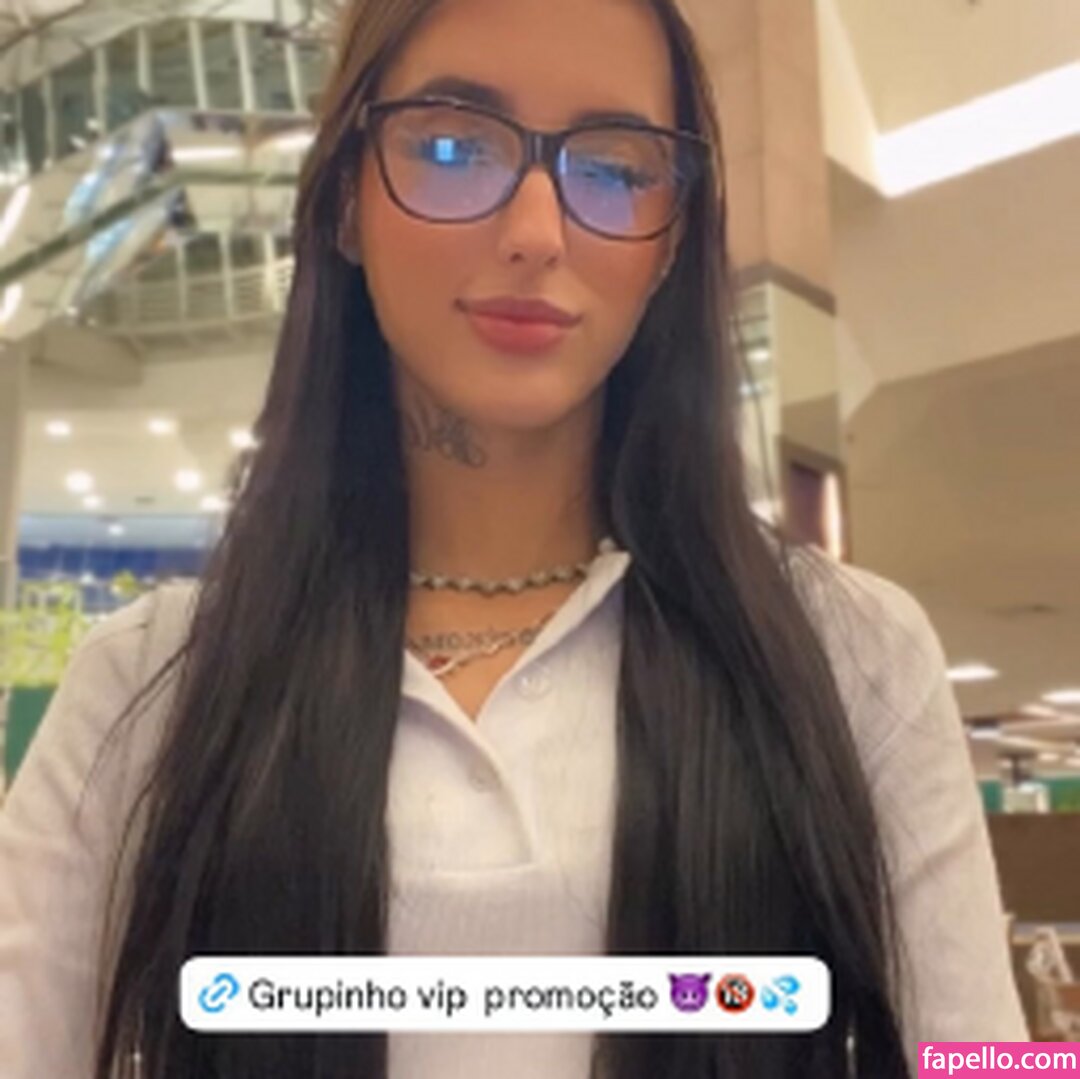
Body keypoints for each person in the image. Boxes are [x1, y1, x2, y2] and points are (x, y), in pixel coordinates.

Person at [0, 0, 1028, 1076]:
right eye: (453, 148)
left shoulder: (852, 654)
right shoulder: (150, 687)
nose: (539, 229)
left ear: (672, 238)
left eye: (616, 168)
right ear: (346, 198)